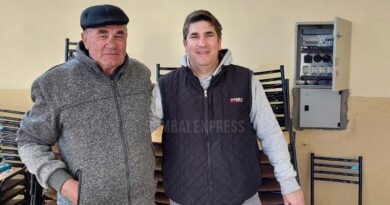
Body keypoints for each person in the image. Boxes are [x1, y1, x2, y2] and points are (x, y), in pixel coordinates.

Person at [150, 10, 305, 205]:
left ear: (219, 41)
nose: (202, 43)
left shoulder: (245, 80)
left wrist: (289, 183)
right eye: (194, 36)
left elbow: (271, 134)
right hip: (185, 197)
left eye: (209, 35)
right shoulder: (166, 86)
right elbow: (139, 129)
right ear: (185, 44)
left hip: (242, 197)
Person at [17, 4, 155, 205]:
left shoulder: (141, 75)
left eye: (119, 35)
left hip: (141, 200)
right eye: (102, 34)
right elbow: (29, 141)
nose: (112, 43)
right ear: (85, 39)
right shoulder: (56, 83)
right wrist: (64, 184)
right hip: (85, 201)